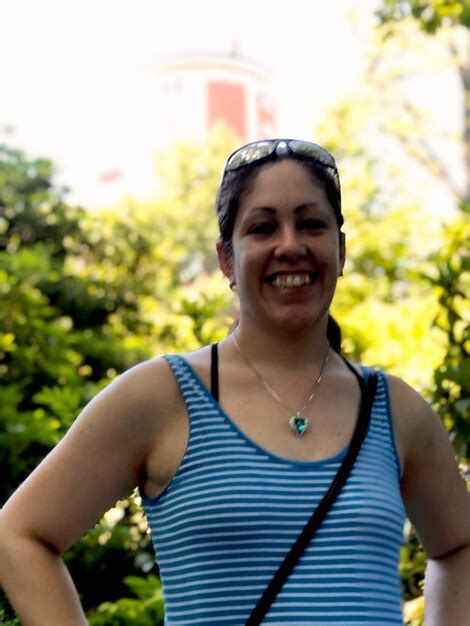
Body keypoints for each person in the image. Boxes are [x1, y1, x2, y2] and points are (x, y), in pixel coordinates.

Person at [0, 139, 468, 626]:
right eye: (263, 228)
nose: (290, 245)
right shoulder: (162, 397)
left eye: (311, 224)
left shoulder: (395, 409)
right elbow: (20, 533)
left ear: (341, 249)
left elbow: (459, 545)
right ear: (227, 259)